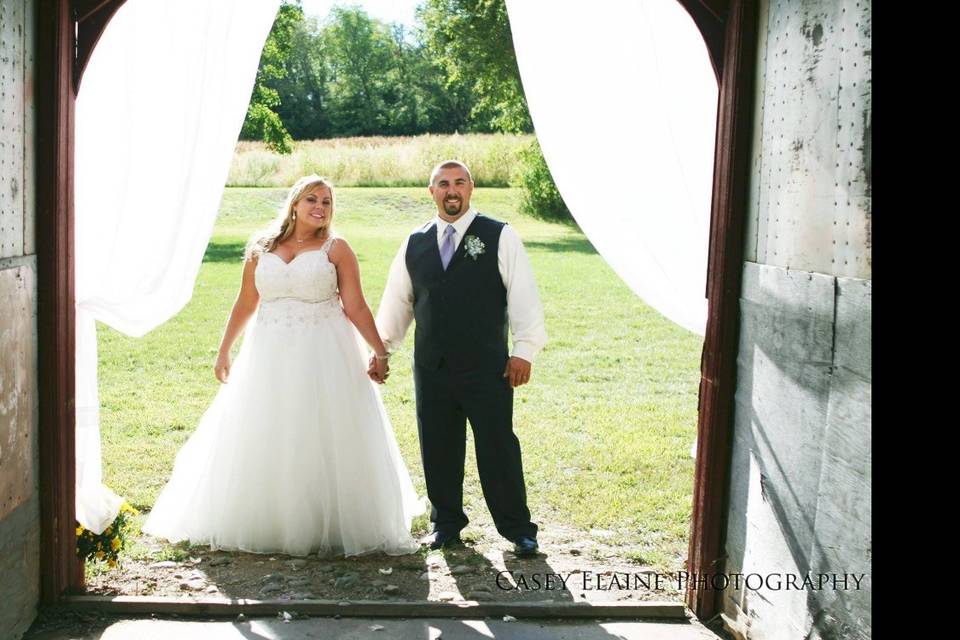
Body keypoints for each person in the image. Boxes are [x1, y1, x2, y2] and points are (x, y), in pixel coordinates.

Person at [143, 175, 423, 557]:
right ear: (294, 204)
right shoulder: (262, 247)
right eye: (312, 199)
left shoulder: (337, 249)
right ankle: (268, 518)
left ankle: (334, 523)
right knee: (265, 426)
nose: (320, 207)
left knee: (323, 430)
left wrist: (379, 351)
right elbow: (246, 302)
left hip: (325, 351)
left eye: (326, 201)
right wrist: (224, 349)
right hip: (269, 352)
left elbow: (355, 305)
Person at [373, 160, 547, 557]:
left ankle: (518, 529)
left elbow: (524, 296)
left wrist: (524, 351)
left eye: (459, 183)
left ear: (471, 189)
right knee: (437, 446)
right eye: (443, 184)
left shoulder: (500, 236)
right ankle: (446, 524)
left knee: (498, 445)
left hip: (488, 367)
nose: (452, 191)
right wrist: (382, 349)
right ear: (431, 191)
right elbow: (399, 301)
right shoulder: (414, 242)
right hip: (432, 366)